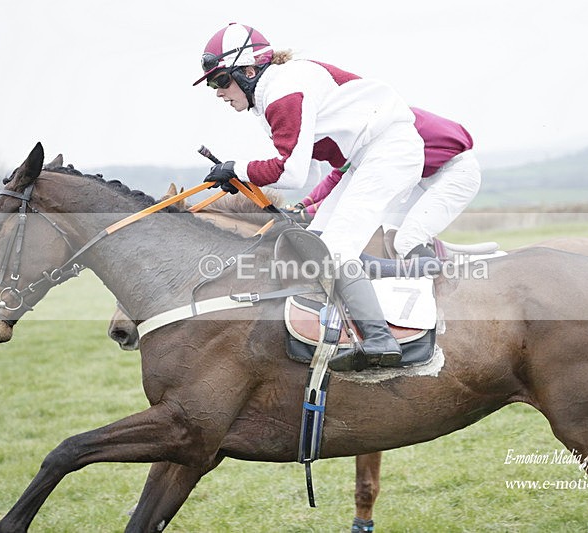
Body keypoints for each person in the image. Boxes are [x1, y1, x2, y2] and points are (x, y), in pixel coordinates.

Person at [194, 22, 425, 369]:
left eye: (221, 80)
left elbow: (291, 172)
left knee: (336, 251)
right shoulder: (272, 93)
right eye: (213, 83)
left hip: (386, 154)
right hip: (367, 158)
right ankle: (409, 273)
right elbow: (311, 169)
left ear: (249, 70)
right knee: (316, 243)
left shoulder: (283, 92)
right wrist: (243, 178)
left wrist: (237, 168)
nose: (218, 92)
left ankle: (380, 340)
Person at [291, 107, 481, 258]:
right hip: (424, 176)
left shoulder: (375, 129)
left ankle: (450, 290)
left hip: (457, 173)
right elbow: (338, 177)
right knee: (383, 234)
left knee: (406, 242)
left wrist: (304, 214)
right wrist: (302, 205)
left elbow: (359, 193)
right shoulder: (363, 128)